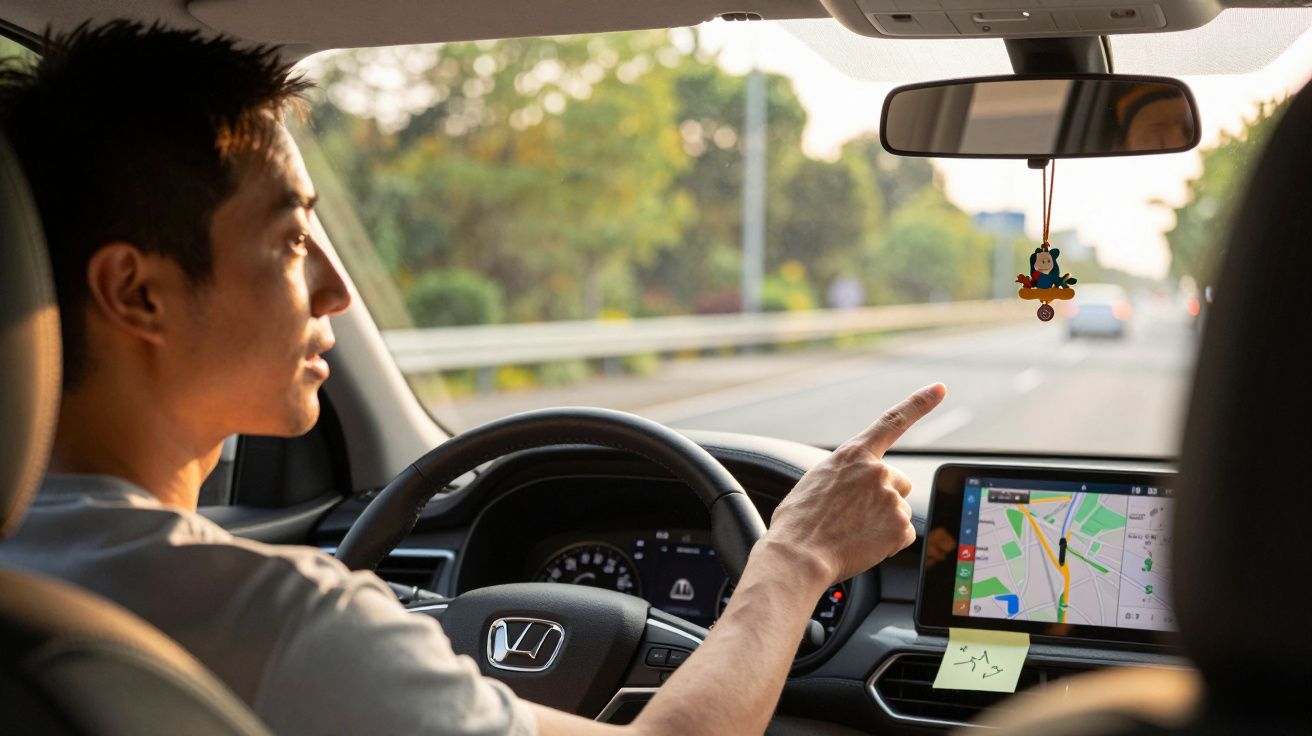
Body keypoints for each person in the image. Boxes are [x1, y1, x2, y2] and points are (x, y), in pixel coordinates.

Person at [0, 21, 946, 736]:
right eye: (290, 240)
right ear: (138, 292)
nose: (335, 290)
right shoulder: (277, 619)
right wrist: (793, 561)